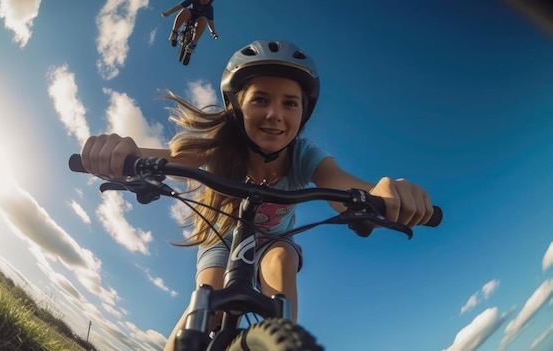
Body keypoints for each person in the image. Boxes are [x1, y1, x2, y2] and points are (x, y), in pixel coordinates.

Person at [80, 40, 434, 351]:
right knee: (204, 302)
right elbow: (168, 158)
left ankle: (282, 336)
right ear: (237, 108)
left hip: (277, 238)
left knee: (279, 263)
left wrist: (380, 193)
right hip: (220, 238)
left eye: (290, 103)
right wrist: (124, 154)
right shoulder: (219, 146)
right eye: (260, 99)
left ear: (303, 113)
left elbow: (340, 182)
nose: (275, 114)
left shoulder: (304, 156)